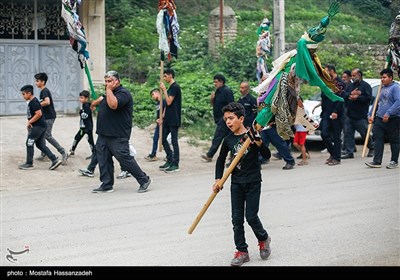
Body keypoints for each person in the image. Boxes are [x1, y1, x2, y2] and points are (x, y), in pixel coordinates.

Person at [212, 102, 271, 267]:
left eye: (231, 118)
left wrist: (259, 143)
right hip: (236, 183)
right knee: (236, 219)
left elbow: (266, 155)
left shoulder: (252, 136)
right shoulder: (228, 140)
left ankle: (263, 238)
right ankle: (242, 251)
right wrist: (218, 179)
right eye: (226, 119)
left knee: (251, 216)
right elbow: (220, 160)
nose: (228, 122)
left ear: (241, 118)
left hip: (253, 182)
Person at [92, 70, 151, 193]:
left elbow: (114, 105)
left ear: (117, 81)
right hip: (104, 134)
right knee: (103, 159)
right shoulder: (108, 93)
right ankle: (107, 184)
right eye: (106, 81)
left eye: (110, 81)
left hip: (117, 134)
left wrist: (108, 90)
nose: (107, 84)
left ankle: (143, 179)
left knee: (124, 159)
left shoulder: (123, 93)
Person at [18, 85, 62, 171]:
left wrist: (30, 122)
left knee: (29, 143)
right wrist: (31, 122)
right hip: (40, 125)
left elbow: (39, 114)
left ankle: (29, 163)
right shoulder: (32, 102)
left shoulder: (34, 102)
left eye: (24, 94)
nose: (23, 96)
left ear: (29, 93)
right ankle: (54, 160)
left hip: (38, 126)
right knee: (40, 145)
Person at [366, 68, 400, 169]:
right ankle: (377, 161)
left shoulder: (395, 88)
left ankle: (394, 161)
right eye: (381, 77)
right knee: (377, 138)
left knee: (394, 140)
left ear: (390, 77)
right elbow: (376, 103)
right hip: (379, 118)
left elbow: (398, 102)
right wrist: (370, 114)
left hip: (393, 118)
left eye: (384, 77)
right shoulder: (382, 88)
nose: (382, 79)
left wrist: (388, 113)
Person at [34, 72, 68, 164]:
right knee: (42, 134)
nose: (36, 83)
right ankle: (44, 153)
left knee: (47, 135)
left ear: (43, 82)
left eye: (37, 81)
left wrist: (36, 105)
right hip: (46, 116)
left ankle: (63, 152)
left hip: (49, 117)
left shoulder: (44, 91)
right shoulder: (43, 91)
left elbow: (47, 102)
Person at [341, 68, 374, 159]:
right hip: (350, 114)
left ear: (359, 75)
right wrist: (350, 95)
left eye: (354, 75)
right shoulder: (350, 86)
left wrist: (358, 97)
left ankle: (372, 148)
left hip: (360, 115)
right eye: (351, 75)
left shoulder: (365, 86)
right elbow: (345, 95)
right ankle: (349, 152)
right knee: (348, 134)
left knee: (364, 133)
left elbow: (368, 98)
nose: (352, 77)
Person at [201, 74, 234, 162]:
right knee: (229, 138)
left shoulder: (227, 91)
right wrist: (212, 99)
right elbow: (215, 104)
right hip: (218, 117)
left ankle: (210, 155)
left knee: (218, 137)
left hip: (224, 119)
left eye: (216, 82)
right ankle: (233, 155)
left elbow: (231, 104)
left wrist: (227, 116)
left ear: (221, 82)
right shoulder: (217, 91)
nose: (214, 84)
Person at [320, 64, 345, 166]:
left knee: (336, 136)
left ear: (331, 71)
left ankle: (337, 158)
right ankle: (333, 153)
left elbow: (341, 99)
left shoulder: (340, 83)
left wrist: (335, 111)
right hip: (326, 113)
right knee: (324, 133)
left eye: (326, 71)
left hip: (336, 113)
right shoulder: (326, 83)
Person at [158, 69, 182, 173]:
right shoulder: (171, 88)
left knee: (174, 141)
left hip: (174, 118)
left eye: (165, 76)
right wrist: (162, 117)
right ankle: (170, 159)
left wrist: (163, 90)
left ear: (170, 76)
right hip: (168, 118)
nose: (164, 78)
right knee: (162, 139)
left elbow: (168, 102)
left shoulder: (175, 87)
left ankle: (175, 164)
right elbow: (167, 107)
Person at [67, 90, 95, 158]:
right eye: (80, 97)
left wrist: (80, 112)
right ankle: (72, 150)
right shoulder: (84, 105)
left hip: (88, 127)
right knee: (77, 138)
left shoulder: (87, 106)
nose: (80, 99)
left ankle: (94, 153)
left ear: (86, 98)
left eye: (82, 98)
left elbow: (85, 116)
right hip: (83, 127)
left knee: (90, 140)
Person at [144, 88, 166, 162]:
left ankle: (170, 154)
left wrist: (162, 118)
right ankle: (153, 154)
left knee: (164, 140)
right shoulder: (158, 103)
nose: (152, 97)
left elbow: (165, 110)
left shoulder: (163, 101)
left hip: (164, 123)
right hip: (159, 123)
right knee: (155, 138)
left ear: (158, 93)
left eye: (153, 94)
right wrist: (157, 119)